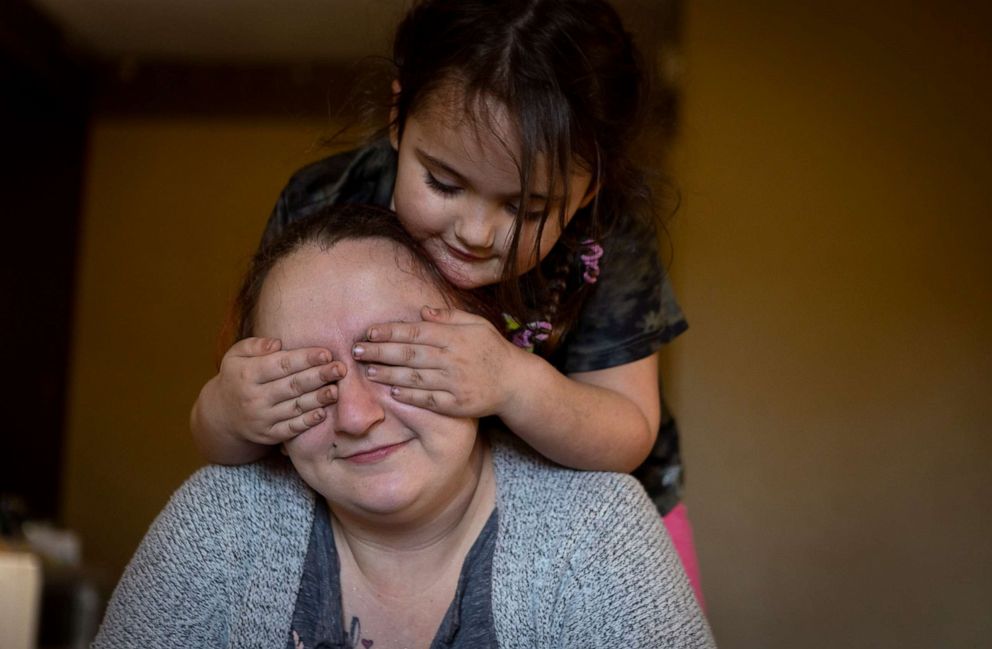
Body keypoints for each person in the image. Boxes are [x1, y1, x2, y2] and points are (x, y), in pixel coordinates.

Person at [190, 0, 704, 603]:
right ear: (397, 117)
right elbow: (232, 432)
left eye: (526, 209)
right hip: (387, 527)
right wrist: (228, 409)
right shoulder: (328, 201)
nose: (476, 233)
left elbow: (628, 430)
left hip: (589, 516)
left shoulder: (609, 240)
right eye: (443, 183)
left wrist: (511, 382)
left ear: (590, 186)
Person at [95, 205, 714, 648]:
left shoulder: (599, 533)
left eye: (393, 361)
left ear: (485, 352)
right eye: (309, 381)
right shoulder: (218, 525)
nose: (358, 416)